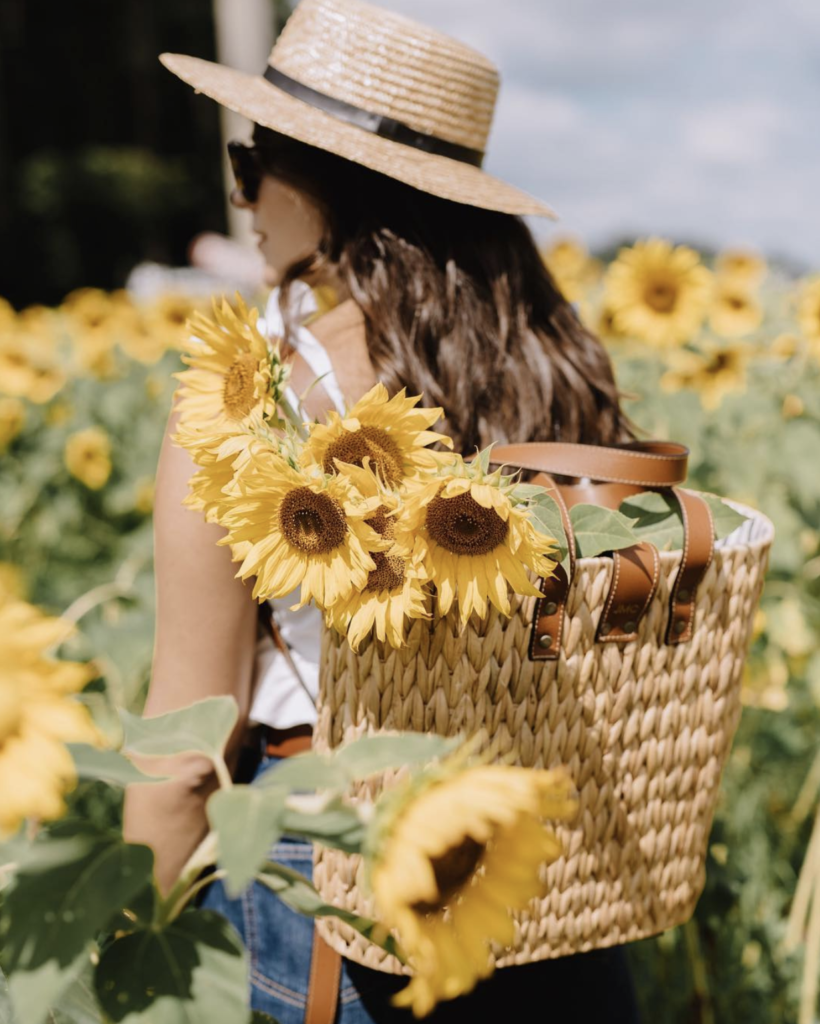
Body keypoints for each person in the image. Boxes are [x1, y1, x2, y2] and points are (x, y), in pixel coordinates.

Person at [124, 0, 641, 1021]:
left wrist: (124, 931)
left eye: (249, 168)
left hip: (337, 887)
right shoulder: (560, 369)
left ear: (318, 189)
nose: (245, 205)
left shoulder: (252, 398)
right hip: (543, 868)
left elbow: (189, 744)